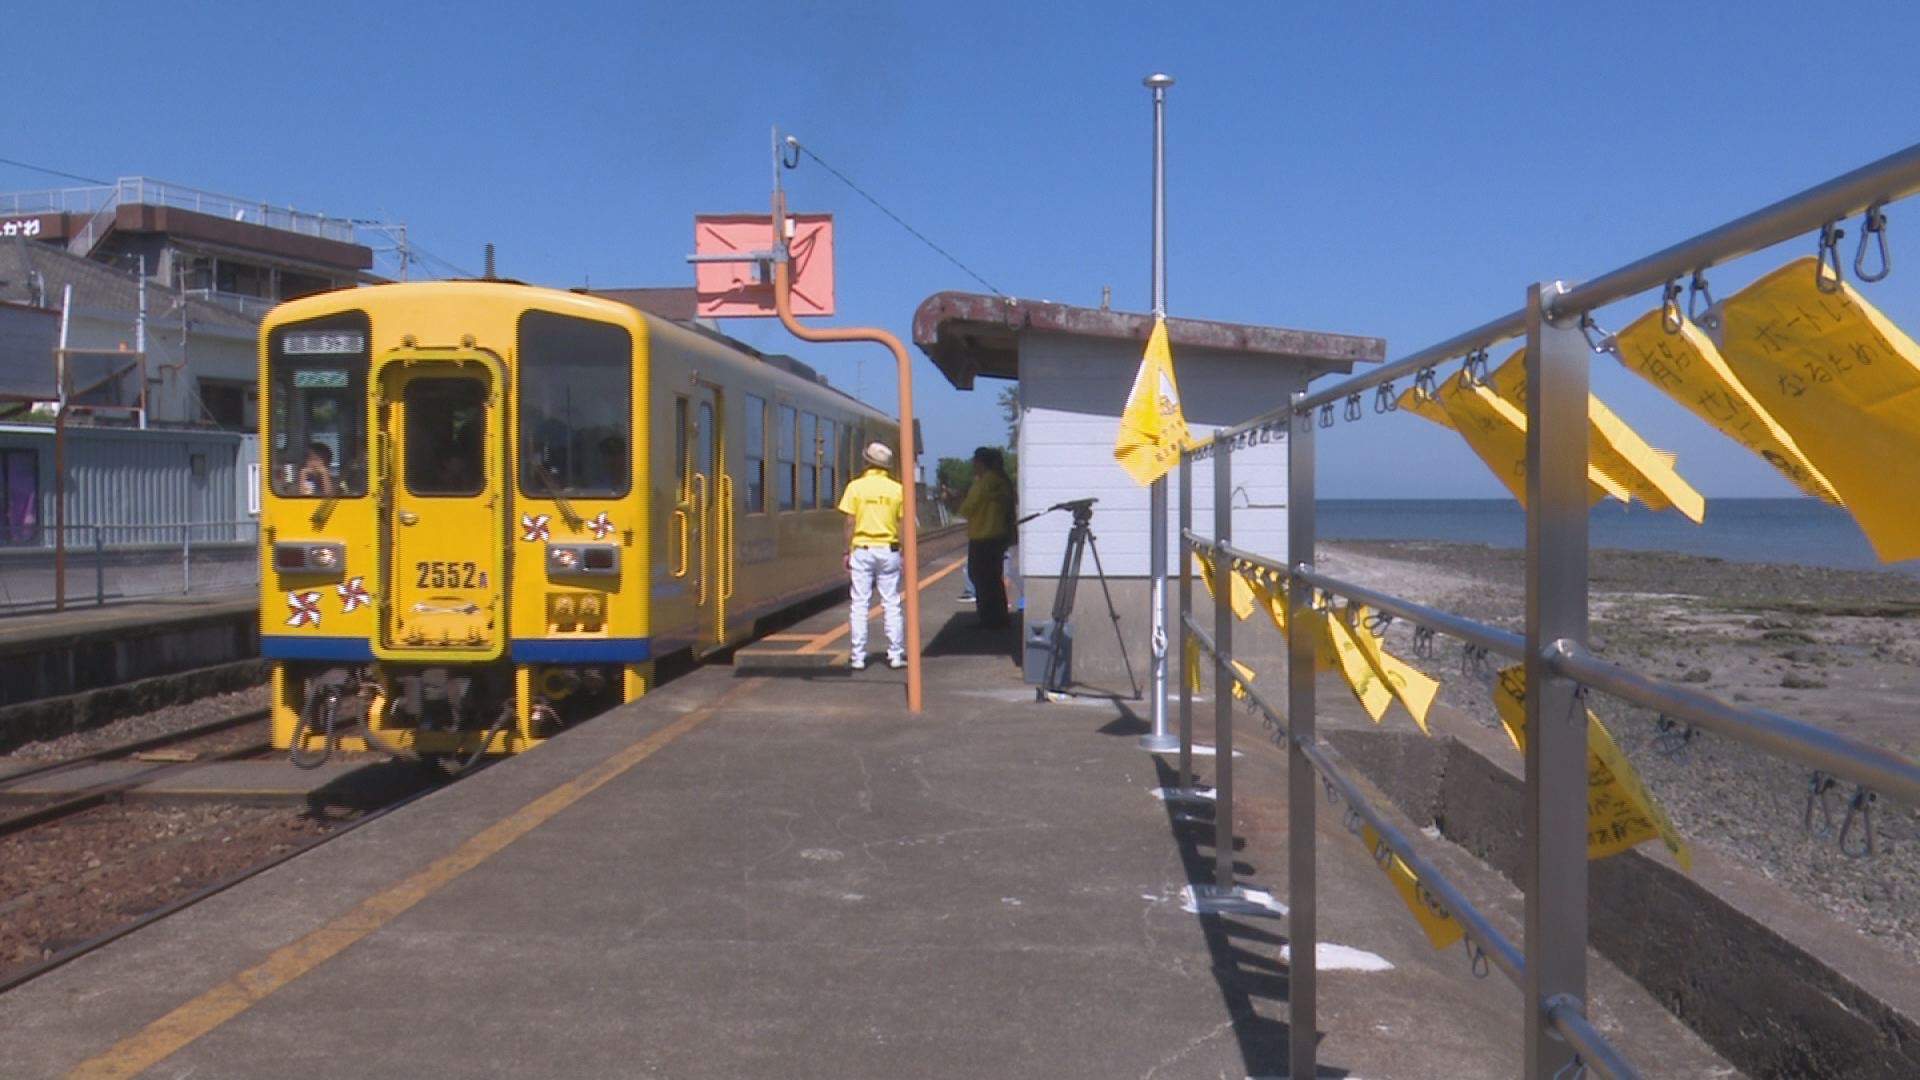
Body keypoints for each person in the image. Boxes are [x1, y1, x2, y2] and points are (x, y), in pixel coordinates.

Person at [836, 441, 906, 671]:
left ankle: (858, 656)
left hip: (862, 550)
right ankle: (895, 654)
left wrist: (846, 550)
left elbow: (850, 521)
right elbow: (902, 523)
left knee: (859, 603)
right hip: (889, 549)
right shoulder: (897, 489)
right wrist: (903, 550)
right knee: (891, 603)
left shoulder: (855, 487)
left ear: (866, 462)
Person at [958, 446, 1014, 629]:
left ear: (981, 463)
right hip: (998, 537)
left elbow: (967, 509)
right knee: (994, 580)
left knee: (980, 578)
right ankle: (999, 618)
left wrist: (959, 499)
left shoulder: (981, 484)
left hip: (981, 537)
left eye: (975, 462)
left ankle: (987, 619)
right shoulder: (1003, 483)